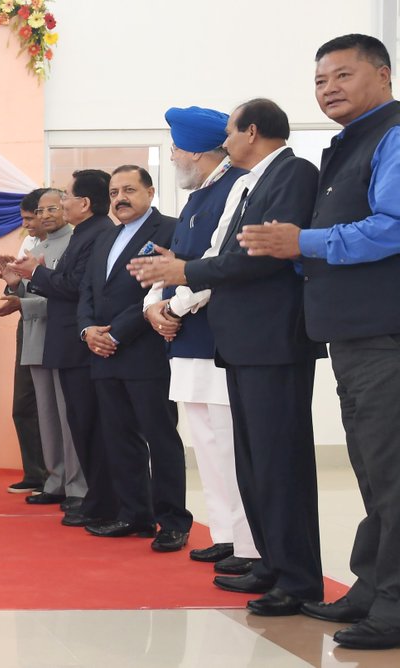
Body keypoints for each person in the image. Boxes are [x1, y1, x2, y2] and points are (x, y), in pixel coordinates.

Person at [239, 34, 400, 649]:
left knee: (392, 472)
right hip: (352, 333)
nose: (328, 89)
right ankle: (372, 586)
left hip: (385, 333)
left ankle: (394, 603)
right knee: (372, 472)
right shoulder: (348, 143)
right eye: (319, 81)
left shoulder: (392, 135)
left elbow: (393, 226)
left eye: (342, 75)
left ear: (382, 75)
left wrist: (301, 243)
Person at [132, 98, 323, 615]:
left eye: (231, 132)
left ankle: (298, 579)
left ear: (252, 132)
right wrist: (182, 272)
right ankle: (269, 562)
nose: (226, 141)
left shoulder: (292, 173)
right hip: (242, 341)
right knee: (254, 462)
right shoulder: (249, 182)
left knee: (279, 463)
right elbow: (227, 252)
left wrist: (185, 273)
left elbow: (257, 255)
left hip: (273, 339)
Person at [141, 106, 259, 573]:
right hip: (187, 341)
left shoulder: (235, 188)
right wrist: (154, 305)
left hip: (214, 338)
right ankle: (225, 535)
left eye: (175, 148)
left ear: (193, 151)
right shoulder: (197, 197)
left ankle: (248, 544)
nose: (172, 156)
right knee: (206, 445)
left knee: (228, 444)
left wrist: (174, 307)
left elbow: (215, 265)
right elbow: (177, 261)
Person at [75, 165, 191, 552]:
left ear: (150, 192)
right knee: (119, 438)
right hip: (103, 355)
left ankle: (173, 521)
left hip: (146, 351)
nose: (120, 198)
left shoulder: (170, 230)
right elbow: (88, 291)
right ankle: (134, 514)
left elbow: (161, 291)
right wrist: (88, 330)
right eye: (114, 192)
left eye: (129, 190)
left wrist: (117, 333)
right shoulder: (105, 237)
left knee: (161, 438)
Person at [11, 170, 115, 527]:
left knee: (79, 421)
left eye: (61, 201)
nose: (45, 215)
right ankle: (61, 483)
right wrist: (21, 281)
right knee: (53, 416)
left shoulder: (89, 235)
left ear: (82, 204)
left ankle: (82, 490)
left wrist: (36, 276)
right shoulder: (69, 238)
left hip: (76, 336)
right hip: (55, 335)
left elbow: (73, 287)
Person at [0, 190, 84, 508]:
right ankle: (55, 480)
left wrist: (25, 303)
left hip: (61, 338)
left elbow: (70, 295)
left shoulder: (75, 243)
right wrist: (13, 284)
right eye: (41, 210)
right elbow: (32, 292)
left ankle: (77, 486)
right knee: (46, 416)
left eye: (52, 209)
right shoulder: (36, 248)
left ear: (67, 208)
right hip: (35, 336)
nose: (45, 215)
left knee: (67, 417)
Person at [0, 190, 48, 495]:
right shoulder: (28, 244)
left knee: (53, 409)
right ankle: (35, 473)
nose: (26, 225)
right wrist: (11, 283)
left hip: (55, 330)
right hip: (28, 326)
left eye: (29, 219)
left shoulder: (67, 243)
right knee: (23, 404)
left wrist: (21, 294)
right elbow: (21, 289)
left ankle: (58, 477)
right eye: (23, 219)